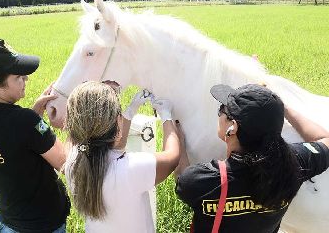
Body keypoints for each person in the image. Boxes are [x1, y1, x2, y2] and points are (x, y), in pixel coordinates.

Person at [175, 84, 329, 233]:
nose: (220, 114)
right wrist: (282, 108)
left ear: (233, 128)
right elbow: (325, 139)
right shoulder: (296, 161)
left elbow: (182, 179)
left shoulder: (204, 180)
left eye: (221, 110)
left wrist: (178, 142)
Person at [0, 39, 70, 233]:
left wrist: (34, 118)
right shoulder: (24, 122)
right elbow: (66, 163)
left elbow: (14, 148)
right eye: (19, 76)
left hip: (9, 224)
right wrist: (74, 121)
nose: (26, 79)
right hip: (42, 226)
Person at [64, 81, 181, 233]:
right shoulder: (132, 169)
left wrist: (129, 112)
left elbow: (112, 147)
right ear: (117, 122)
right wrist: (166, 116)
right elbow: (172, 157)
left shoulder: (74, 162)